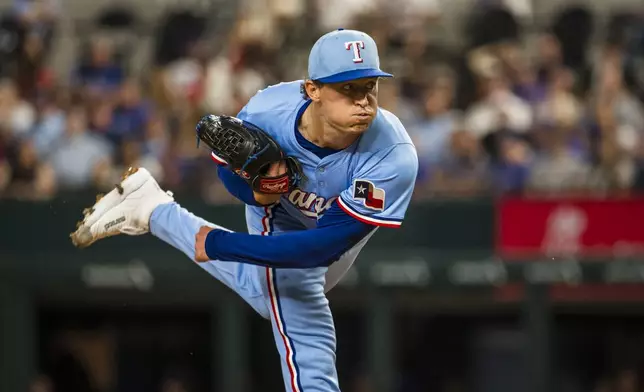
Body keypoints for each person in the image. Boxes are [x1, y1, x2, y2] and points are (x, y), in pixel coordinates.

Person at [70, 28, 418, 392]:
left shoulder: (392, 155)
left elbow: (322, 248)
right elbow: (227, 170)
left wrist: (217, 243)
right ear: (312, 89)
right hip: (279, 211)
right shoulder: (268, 111)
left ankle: (154, 210)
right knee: (295, 294)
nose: (363, 100)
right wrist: (257, 195)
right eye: (348, 88)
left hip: (333, 227)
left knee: (277, 296)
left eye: (369, 87)